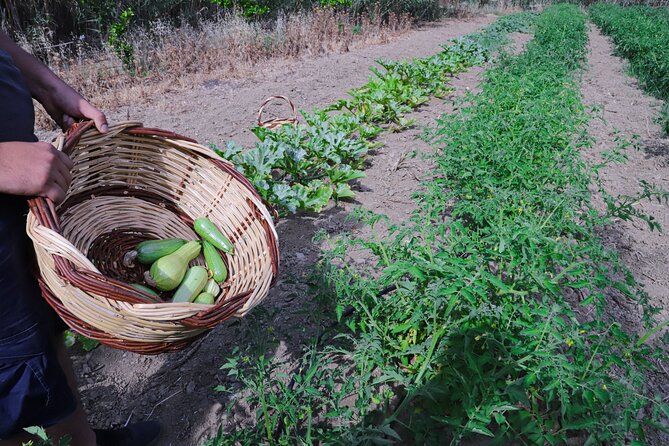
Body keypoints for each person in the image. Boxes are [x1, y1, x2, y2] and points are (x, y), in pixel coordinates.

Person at [0, 31, 160, 445]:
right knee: (9, 368)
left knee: (39, 324)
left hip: (19, 190)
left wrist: (47, 87)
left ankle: (81, 439)